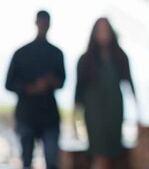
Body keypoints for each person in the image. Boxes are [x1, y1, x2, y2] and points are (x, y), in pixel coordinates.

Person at [5, 10, 66, 169]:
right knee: (26, 160)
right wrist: (30, 88)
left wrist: (51, 82)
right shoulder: (21, 54)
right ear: (37, 23)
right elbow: (9, 83)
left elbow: (62, 81)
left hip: (48, 115)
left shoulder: (56, 54)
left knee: (51, 161)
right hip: (27, 115)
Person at [74, 17, 135, 169]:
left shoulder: (120, 57)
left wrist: (139, 115)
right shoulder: (85, 60)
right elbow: (78, 91)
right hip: (94, 112)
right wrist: (74, 120)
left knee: (113, 152)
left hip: (114, 109)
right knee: (98, 152)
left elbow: (130, 84)